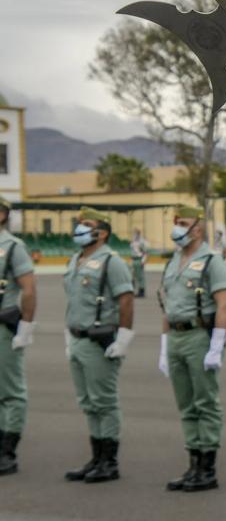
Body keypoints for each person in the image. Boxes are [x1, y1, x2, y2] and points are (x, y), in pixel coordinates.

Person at [158, 204, 226, 492]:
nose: (177, 228)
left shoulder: (212, 260)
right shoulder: (172, 261)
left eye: (183, 222)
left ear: (198, 229)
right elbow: (168, 305)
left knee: (205, 402)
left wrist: (216, 344)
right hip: (175, 337)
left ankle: (208, 468)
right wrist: (163, 345)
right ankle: (193, 464)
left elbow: (224, 304)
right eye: (175, 222)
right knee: (186, 404)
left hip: (199, 336)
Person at [63, 206, 135, 483]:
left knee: (104, 402)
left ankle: (109, 461)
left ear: (102, 233)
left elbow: (126, 299)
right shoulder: (75, 259)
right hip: (78, 337)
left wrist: (124, 338)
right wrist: (68, 335)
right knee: (88, 403)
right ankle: (96, 457)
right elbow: (74, 301)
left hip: (99, 341)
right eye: (79, 223)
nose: (79, 228)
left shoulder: (111, 261)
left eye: (87, 224)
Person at [0, 196, 36, 476]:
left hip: (4, 326)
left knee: (12, 391)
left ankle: (8, 451)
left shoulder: (14, 247)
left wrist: (26, 327)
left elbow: (29, 289)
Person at [129, 229, 148, 298]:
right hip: (133, 260)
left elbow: (145, 252)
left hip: (139, 260)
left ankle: (141, 291)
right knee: (132, 277)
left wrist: (143, 261)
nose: (134, 235)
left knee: (140, 276)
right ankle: (132, 291)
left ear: (138, 234)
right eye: (134, 233)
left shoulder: (141, 242)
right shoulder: (133, 242)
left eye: (135, 233)